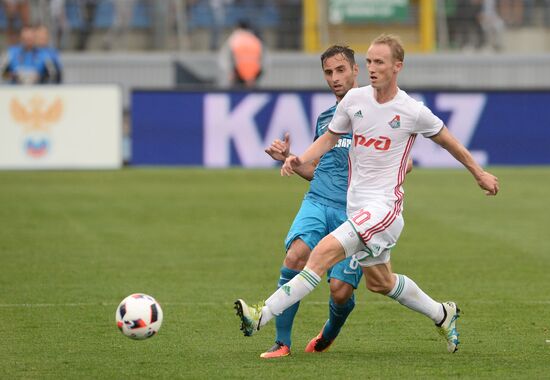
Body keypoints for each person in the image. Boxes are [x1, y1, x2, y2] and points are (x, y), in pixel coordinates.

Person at [235, 33, 500, 354]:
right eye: (370, 61)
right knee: (380, 282)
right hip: (357, 207)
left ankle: (261, 315)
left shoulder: (412, 110)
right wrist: (299, 158)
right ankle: (442, 312)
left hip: (383, 210)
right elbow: (329, 140)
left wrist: (478, 172)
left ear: (397, 66)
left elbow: (448, 141)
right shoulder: (354, 101)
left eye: (379, 62)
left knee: (319, 255)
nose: (372, 68)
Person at [260, 45, 362, 359]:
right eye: (329, 72)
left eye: (340, 70)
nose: (334, 78)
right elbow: (318, 172)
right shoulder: (326, 119)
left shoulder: (375, 116)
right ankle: (282, 343)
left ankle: (331, 329)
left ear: (356, 70)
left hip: (356, 213)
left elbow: (403, 163)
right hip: (318, 202)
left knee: (339, 291)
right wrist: (290, 159)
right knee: (295, 256)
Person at [218, 20, 263, 88]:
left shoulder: (234, 39)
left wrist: (229, 72)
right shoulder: (255, 40)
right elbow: (263, 60)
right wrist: (256, 75)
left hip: (236, 76)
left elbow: (224, 58)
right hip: (253, 77)